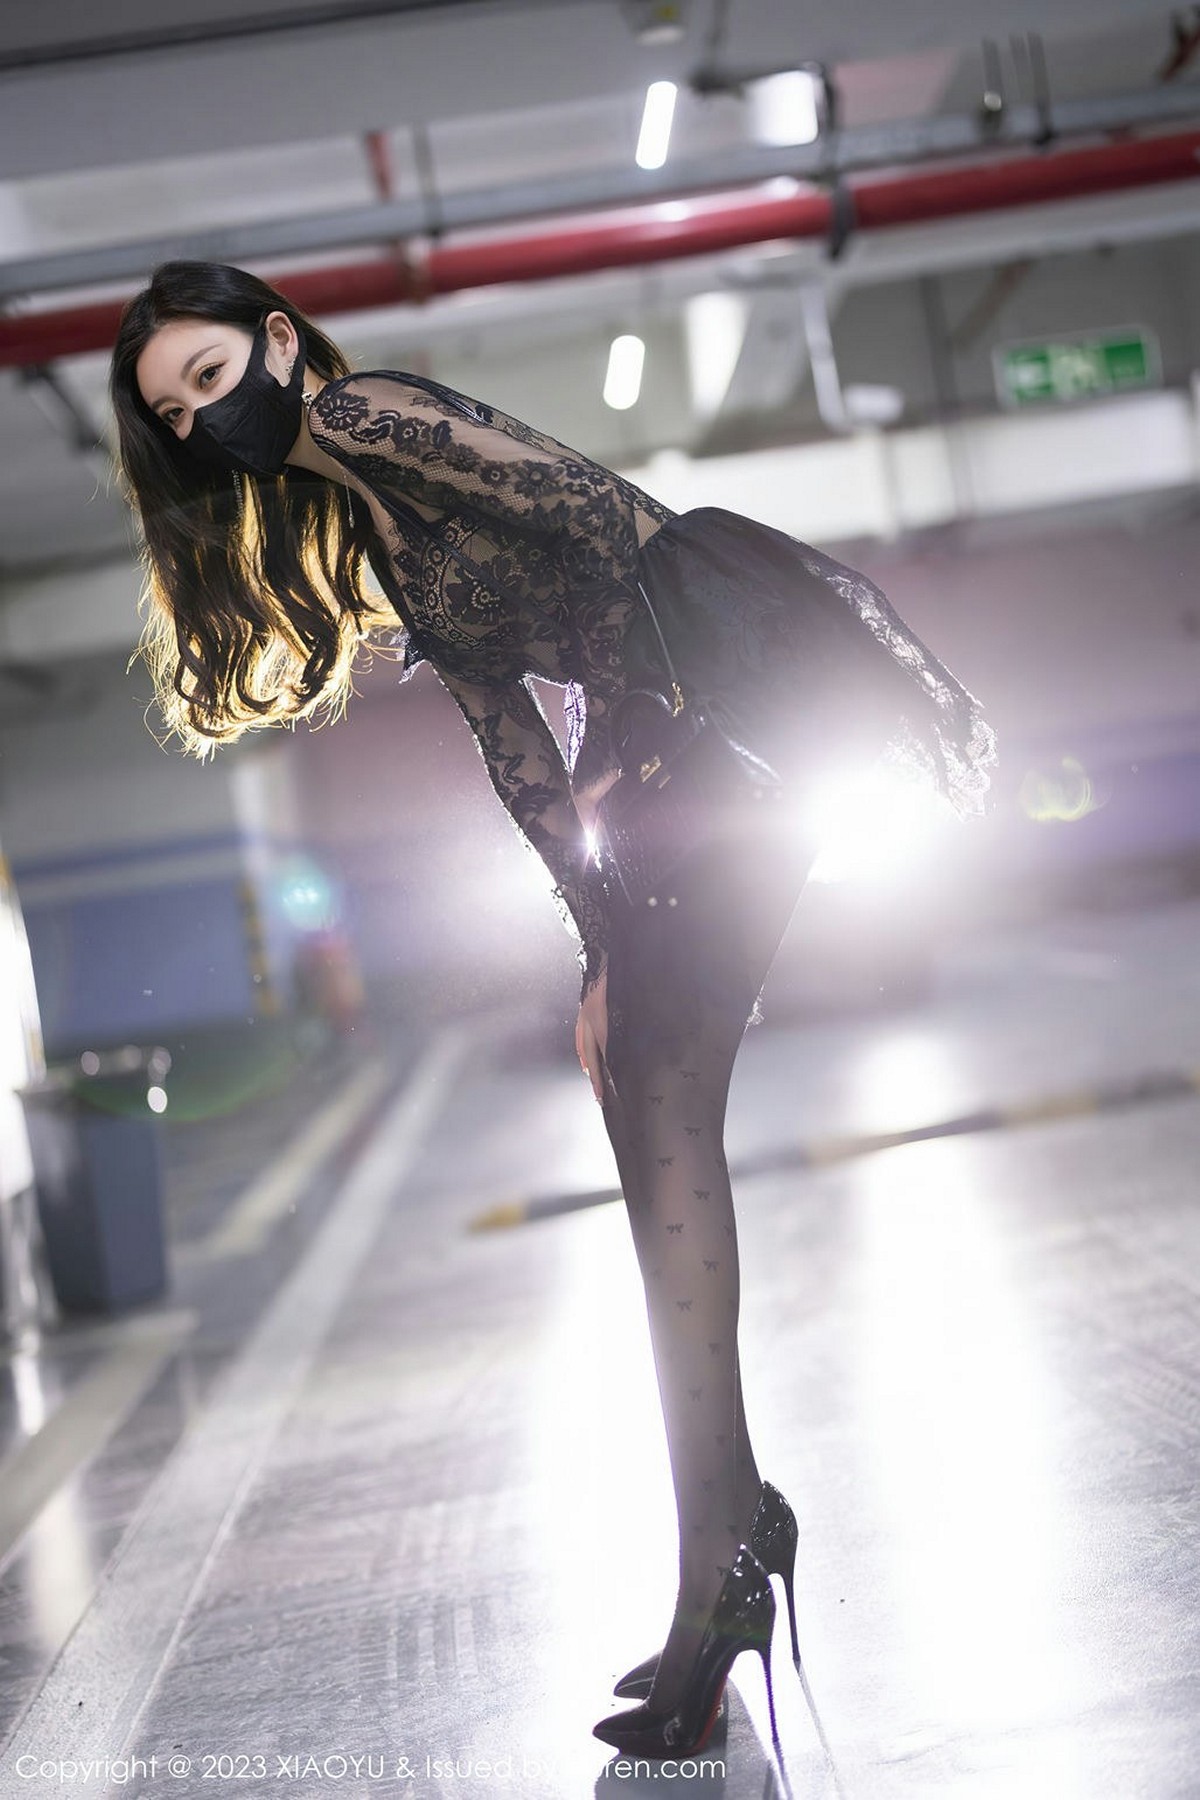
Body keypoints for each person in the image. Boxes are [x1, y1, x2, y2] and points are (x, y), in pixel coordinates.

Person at [109, 260, 997, 1759]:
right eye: (177, 417)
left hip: (726, 715)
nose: (207, 421)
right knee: (645, 1113)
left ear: (276, 341)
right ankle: (730, 1530)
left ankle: (720, 1567)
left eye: (211, 378)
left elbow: (618, 527)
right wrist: (598, 948)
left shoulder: (375, 417)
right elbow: (506, 737)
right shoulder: (366, 525)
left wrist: (639, 758)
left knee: (666, 1119)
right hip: (668, 771)